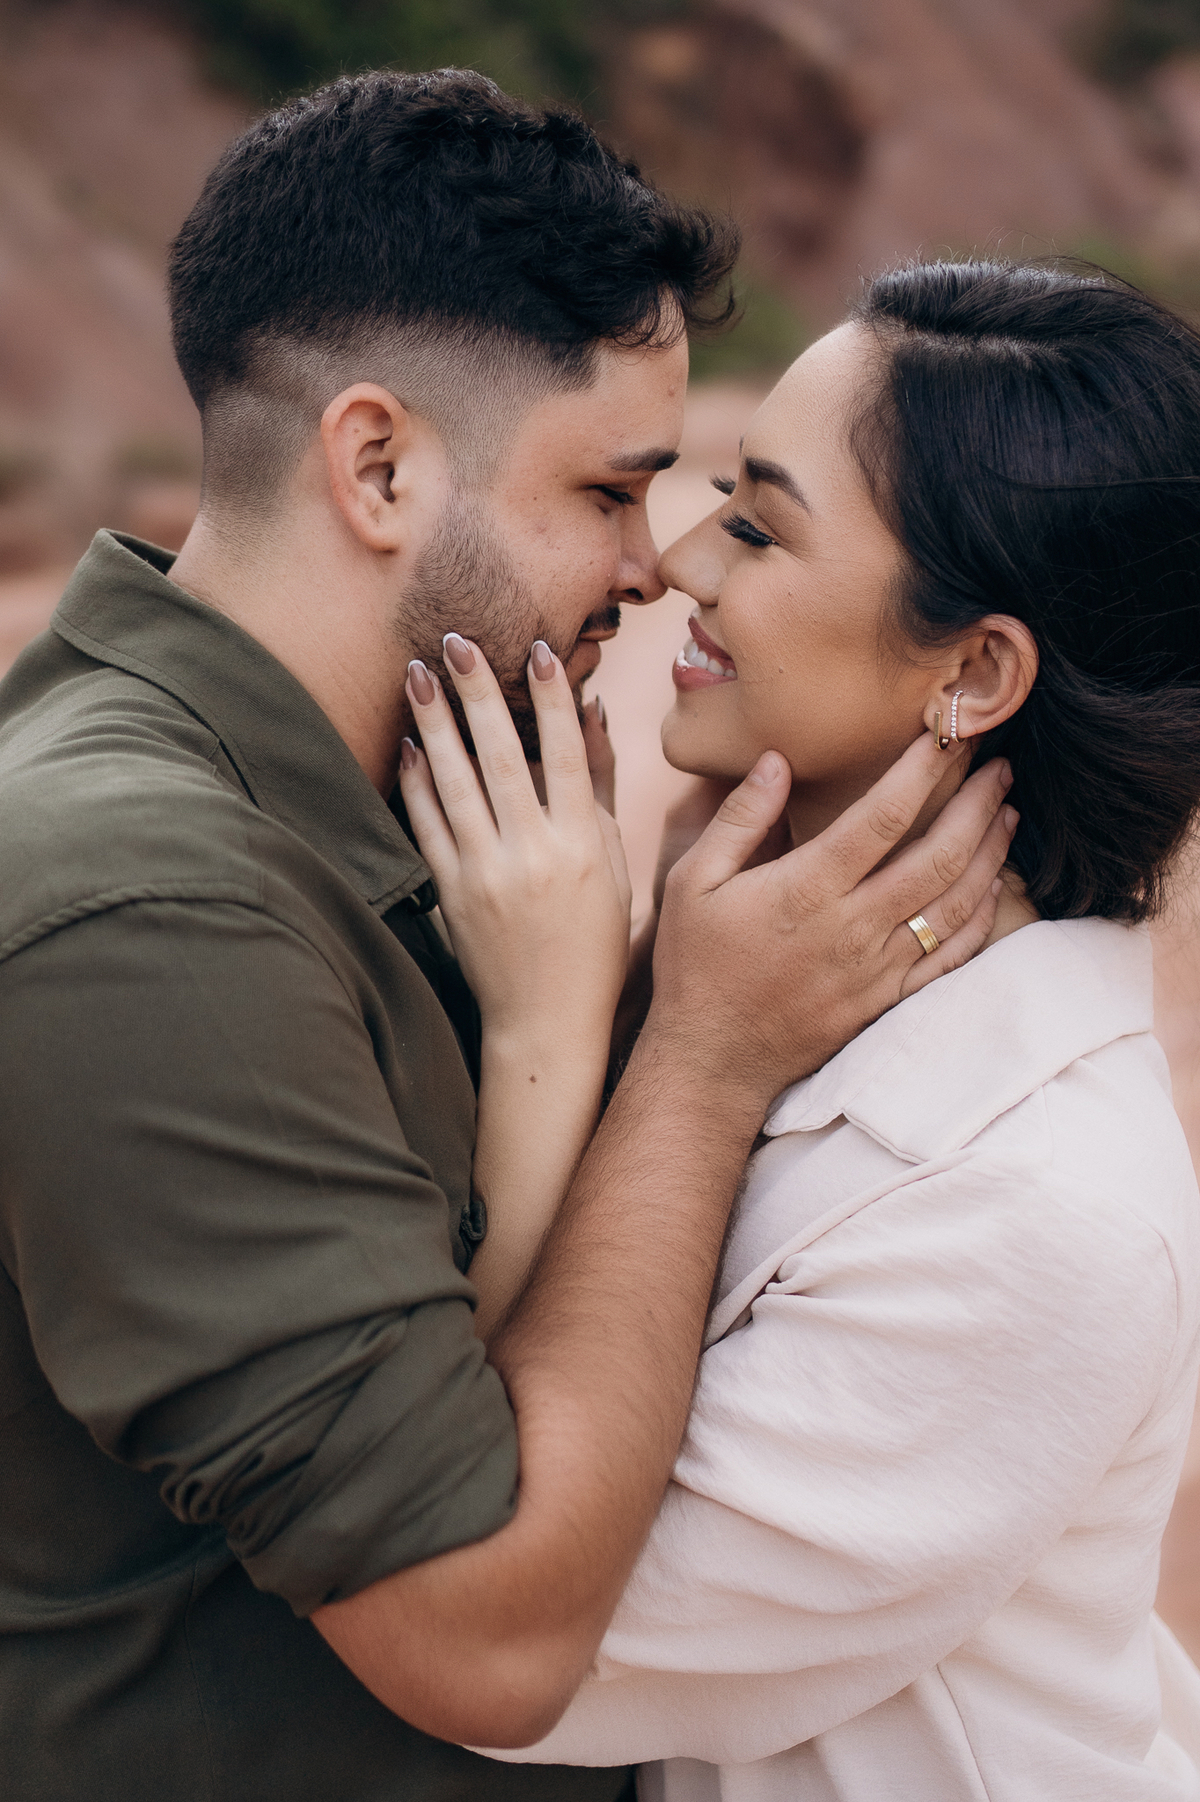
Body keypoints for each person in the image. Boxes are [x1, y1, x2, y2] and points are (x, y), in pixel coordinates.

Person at [0, 74, 1016, 1802]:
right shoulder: (145, 904)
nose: (659, 561)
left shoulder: (431, 789)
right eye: (613, 490)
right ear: (380, 465)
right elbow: (487, 1635)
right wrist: (694, 1051)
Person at [399, 261, 1200, 1798]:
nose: (685, 560)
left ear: (974, 671)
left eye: (761, 526)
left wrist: (642, 1044)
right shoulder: (774, 975)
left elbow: (506, 1635)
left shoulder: (1037, 1213)